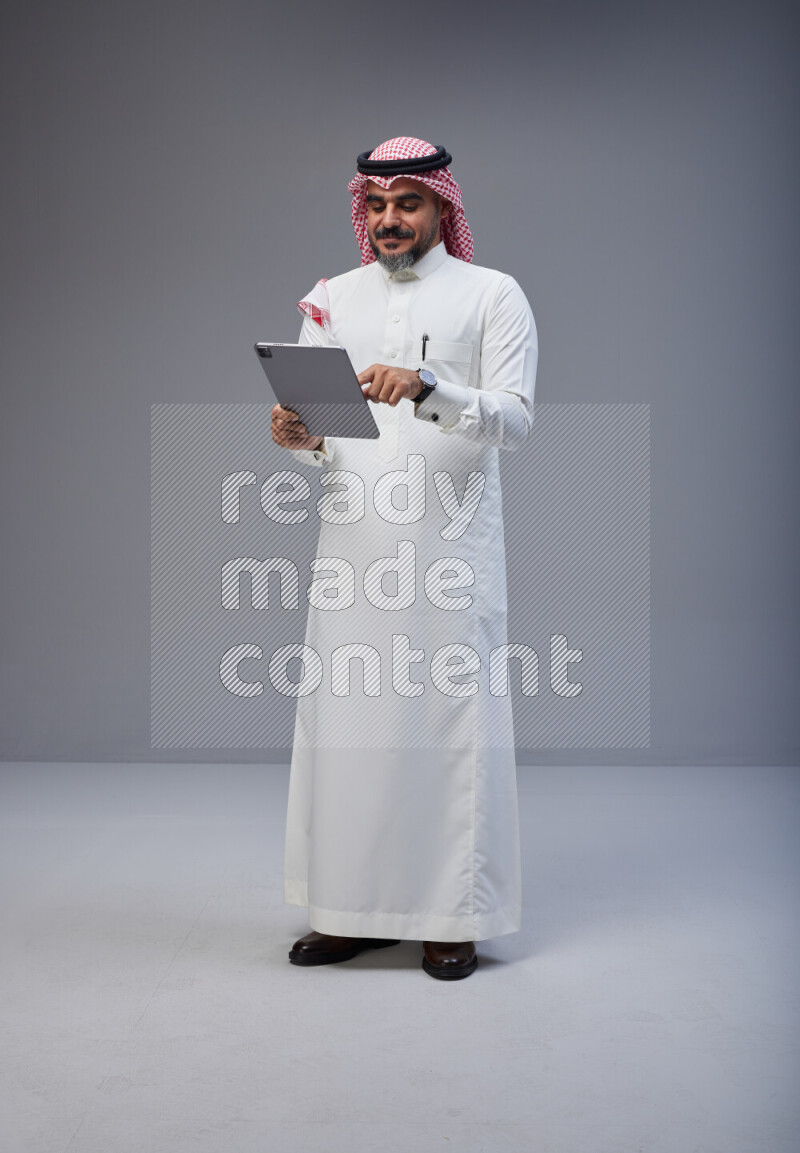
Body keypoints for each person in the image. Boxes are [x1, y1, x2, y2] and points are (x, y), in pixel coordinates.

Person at [271, 137, 538, 980]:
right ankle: (348, 912)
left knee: (445, 727)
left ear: (440, 207)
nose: (390, 219)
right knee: (349, 730)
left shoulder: (493, 294)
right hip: (353, 546)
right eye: (377, 204)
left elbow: (517, 420)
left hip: (447, 551)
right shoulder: (330, 298)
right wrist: (301, 435)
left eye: (409, 203)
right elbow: (321, 433)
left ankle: (450, 916)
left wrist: (430, 388)